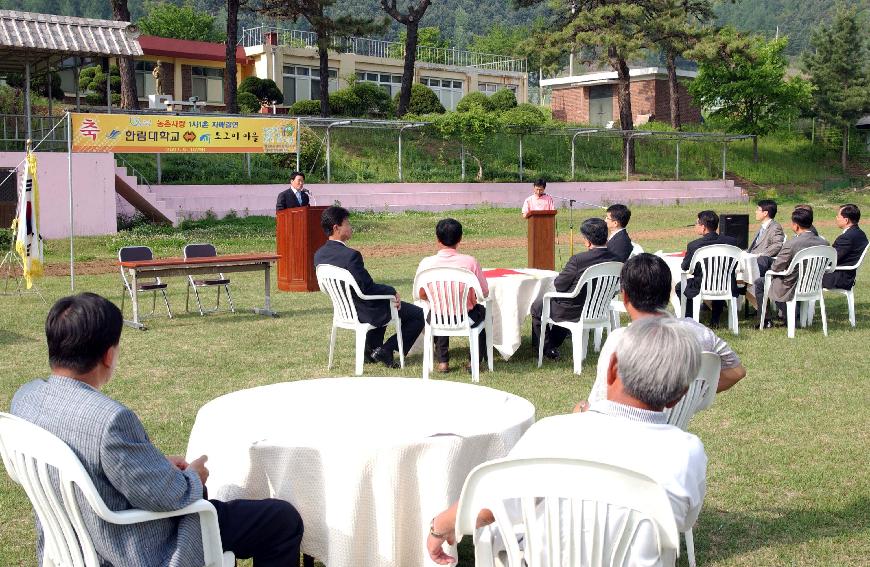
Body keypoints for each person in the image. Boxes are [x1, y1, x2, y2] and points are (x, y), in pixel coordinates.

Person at [11, 293, 303, 567]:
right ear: (108, 355)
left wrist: (158, 466)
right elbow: (169, 497)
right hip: (135, 546)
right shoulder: (110, 421)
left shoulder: (26, 397)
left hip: (72, 537)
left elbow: (96, 464)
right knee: (282, 520)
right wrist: (193, 476)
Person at [427, 316, 707, 566]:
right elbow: (682, 521)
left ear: (611, 370)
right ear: (679, 395)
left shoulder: (551, 432)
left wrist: (439, 526)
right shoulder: (687, 452)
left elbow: (489, 508)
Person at [582, 253, 746, 408]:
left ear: (625, 297)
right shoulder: (698, 332)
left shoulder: (620, 340)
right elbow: (737, 372)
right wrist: (692, 397)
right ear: (668, 294)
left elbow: (599, 403)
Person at [313, 206, 424, 367]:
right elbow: (367, 288)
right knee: (417, 314)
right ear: (336, 228)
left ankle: (370, 351)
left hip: (343, 310)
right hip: (364, 311)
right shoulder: (351, 256)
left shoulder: (319, 255)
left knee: (380, 302)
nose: (350, 227)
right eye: (347, 223)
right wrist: (392, 291)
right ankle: (387, 349)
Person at [530, 218, 619, 360]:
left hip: (573, 310)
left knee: (537, 307)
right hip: (599, 309)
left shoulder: (578, 260)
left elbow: (559, 284)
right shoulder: (617, 260)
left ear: (588, 241)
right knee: (559, 305)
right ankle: (551, 345)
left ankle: (545, 349)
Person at [415, 218, 489, 373]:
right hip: (466, 317)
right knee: (483, 312)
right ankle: (473, 361)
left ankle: (443, 362)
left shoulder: (426, 263)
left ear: (437, 239)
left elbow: (420, 294)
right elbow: (484, 293)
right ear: (460, 238)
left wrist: (440, 298)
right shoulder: (470, 262)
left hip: (437, 317)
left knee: (439, 312)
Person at [754, 206, 827, 327]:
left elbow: (776, 267)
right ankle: (791, 317)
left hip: (791, 283)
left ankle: (767, 320)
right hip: (813, 284)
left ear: (796, 225)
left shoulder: (792, 244)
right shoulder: (824, 243)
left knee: (760, 283)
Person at [676, 210, 739, 327]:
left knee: (680, 287)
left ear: (703, 227)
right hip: (727, 284)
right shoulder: (731, 242)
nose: (695, 226)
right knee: (719, 279)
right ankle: (715, 320)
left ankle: (690, 319)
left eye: (696, 223)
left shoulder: (694, 245)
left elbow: (685, 267)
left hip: (702, 285)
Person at [822, 204, 868, 291]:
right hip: (846, 275)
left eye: (838, 216)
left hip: (838, 278)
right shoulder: (860, 233)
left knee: (804, 276)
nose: (836, 218)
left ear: (846, 220)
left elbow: (831, 260)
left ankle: (799, 304)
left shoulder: (847, 238)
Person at [748, 199, 785, 276]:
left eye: (758, 209)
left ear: (765, 213)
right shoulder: (763, 227)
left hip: (761, 262)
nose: (756, 212)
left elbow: (777, 245)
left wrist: (762, 254)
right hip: (752, 258)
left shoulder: (775, 227)